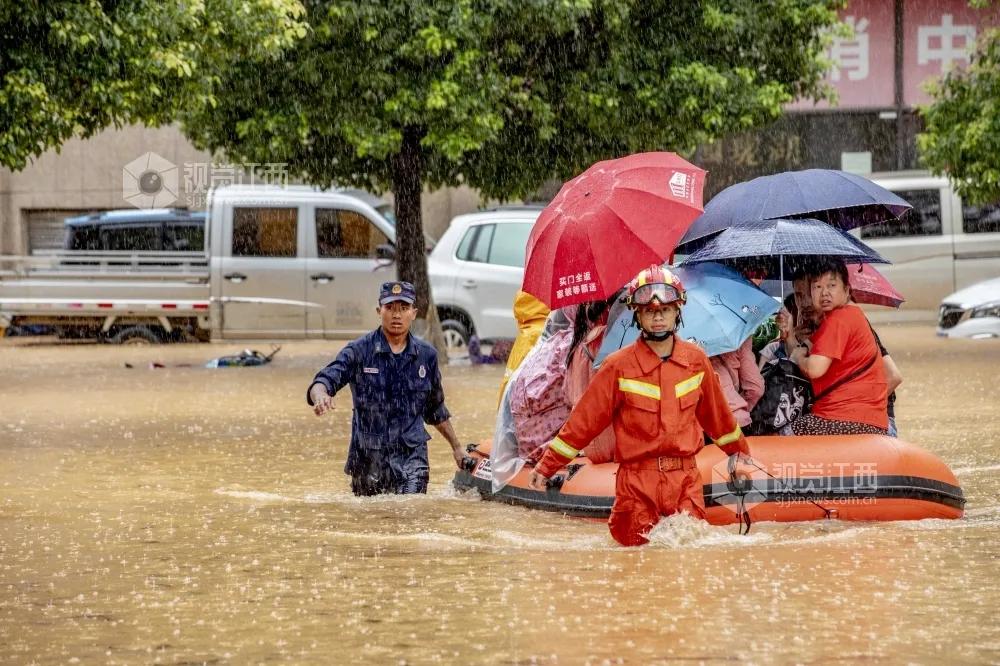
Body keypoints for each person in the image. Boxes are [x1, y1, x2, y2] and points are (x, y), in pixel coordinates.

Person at [528, 265, 750, 546]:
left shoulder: (696, 361)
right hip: (636, 483)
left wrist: (741, 453)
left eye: (665, 310)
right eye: (649, 311)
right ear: (637, 314)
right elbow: (583, 424)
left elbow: (718, 419)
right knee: (635, 566)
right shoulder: (617, 367)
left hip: (684, 480)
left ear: (677, 312)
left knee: (689, 562)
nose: (658, 317)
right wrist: (547, 467)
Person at [307, 280, 465, 495]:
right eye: (389, 308)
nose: (396, 315)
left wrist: (456, 447)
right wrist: (320, 396)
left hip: (412, 457)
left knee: (411, 513)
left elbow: (435, 409)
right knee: (372, 521)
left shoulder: (427, 356)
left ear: (414, 313)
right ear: (379, 310)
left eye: (403, 308)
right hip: (369, 458)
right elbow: (325, 379)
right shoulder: (359, 351)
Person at [788, 259, 889, 435]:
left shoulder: (838, 320)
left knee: (781, 430)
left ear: (846, 290)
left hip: (845, 419)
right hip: (867, 419)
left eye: (831, 285)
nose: (824, 293)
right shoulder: (851, 315)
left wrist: (798, 358)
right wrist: (789, 334)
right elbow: (806, 352)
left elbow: (814, 369)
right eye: (817, 287)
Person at [710, 337, 764, 429]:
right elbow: (756, 389)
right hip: (739, 420)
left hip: (707, 426)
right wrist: (741, 406)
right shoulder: (740, 332)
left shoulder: (691, 342)